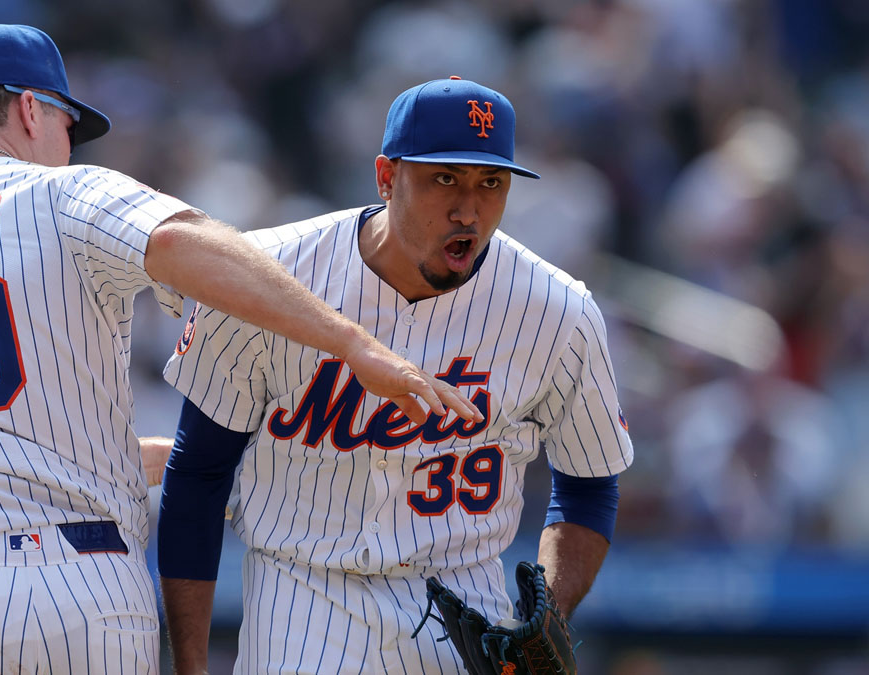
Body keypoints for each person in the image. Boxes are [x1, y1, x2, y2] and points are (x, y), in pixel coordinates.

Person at [0, 25, 480, 674]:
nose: (68, 147)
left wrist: (182, 462)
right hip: (69, 591)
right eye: (66, 126)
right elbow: (181, 240)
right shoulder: (61, 192)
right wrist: (353, 342)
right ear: (28, 108)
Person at [158, 77, 634, 674]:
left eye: (491, 182)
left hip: (464, 610)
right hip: (302, 595)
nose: (469, 208)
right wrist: (191, 666)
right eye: (445, 179)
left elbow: (589, 484)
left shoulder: (556, 311)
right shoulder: (266, 278)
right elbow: (199, 470)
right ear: (386, 177)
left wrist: (550, 618)